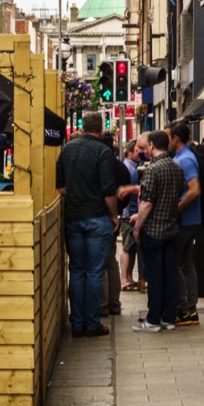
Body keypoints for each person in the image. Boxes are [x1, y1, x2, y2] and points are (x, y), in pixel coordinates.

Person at [56, 111, 118, 337]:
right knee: (94, 272)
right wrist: (114, 216)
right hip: (97, 219)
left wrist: (76, 196)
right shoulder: (103, 151)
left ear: (82, 127)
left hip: (73, 218)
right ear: (100, 129)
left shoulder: (67, 150)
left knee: (77, 270)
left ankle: (77, 323)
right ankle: (92, 324)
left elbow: (60, 187)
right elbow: (108, 190)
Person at [132, 130, 184, 333]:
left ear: (152, 145)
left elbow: (147, 204)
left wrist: (137, 229)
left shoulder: (153, 170)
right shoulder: (176, 168)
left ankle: (153, 319)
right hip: (172, 229)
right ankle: (168, 317)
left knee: (154, 276)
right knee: (170, 274)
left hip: (153, 230)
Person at [167, 120, 204, 327]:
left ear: (176, 138)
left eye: (168, 137)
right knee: (185, 263)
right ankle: (190, 309)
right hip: (191, 219)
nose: (167, 141)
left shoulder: (185, 160)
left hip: (186, 220)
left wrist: (177, 208)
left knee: (175, 262)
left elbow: (194, 190)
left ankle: (184, 309)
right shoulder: (183, 157)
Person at [99, 131, 131, 317]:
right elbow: (125, 197)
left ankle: (103, 305)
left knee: (100, 263)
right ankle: (114, 303)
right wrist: (117, 212)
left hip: (100, 216)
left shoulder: (99, 164)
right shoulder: (121, 167)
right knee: (111, 260)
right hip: (114, 218)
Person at [118, 136, 147, 291]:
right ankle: (124, 279)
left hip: (131, 212)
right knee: (127, 247)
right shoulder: (130, 168)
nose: (140, 153)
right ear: (130, 153)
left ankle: (129, 278)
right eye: (137, 150)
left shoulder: (135, 166)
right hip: (129, 213)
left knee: (131, 248)